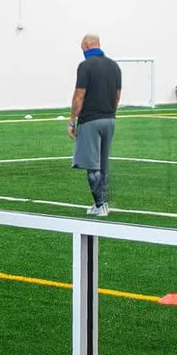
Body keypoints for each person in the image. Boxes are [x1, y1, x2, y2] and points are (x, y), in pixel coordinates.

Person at [67, 33, 122, 217]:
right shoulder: (114, 66)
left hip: (91, 119)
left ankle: (99, 205)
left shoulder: (85, 66)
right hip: (110, 119)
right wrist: (111, 114)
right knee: (103, 164)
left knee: (92, 165)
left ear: (85, 45)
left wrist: (72, 120)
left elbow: (79, 95)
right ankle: (103, 203)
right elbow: (117, 96)